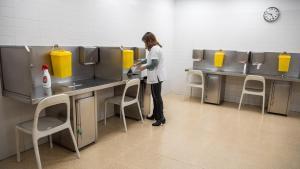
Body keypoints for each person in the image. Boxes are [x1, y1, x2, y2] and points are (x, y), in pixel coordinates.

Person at [135, 32, 166, 126]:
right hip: (157, 77)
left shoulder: (154, 50)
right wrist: (139, 62)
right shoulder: (154, 49)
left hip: (156, 77)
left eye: (145, 42)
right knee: (155, 97)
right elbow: (149, 59)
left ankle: (161, 118)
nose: (145, 44)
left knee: (157, 98)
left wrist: (143, 67)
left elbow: (153, 64)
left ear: (150, 41)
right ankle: (155, 115)